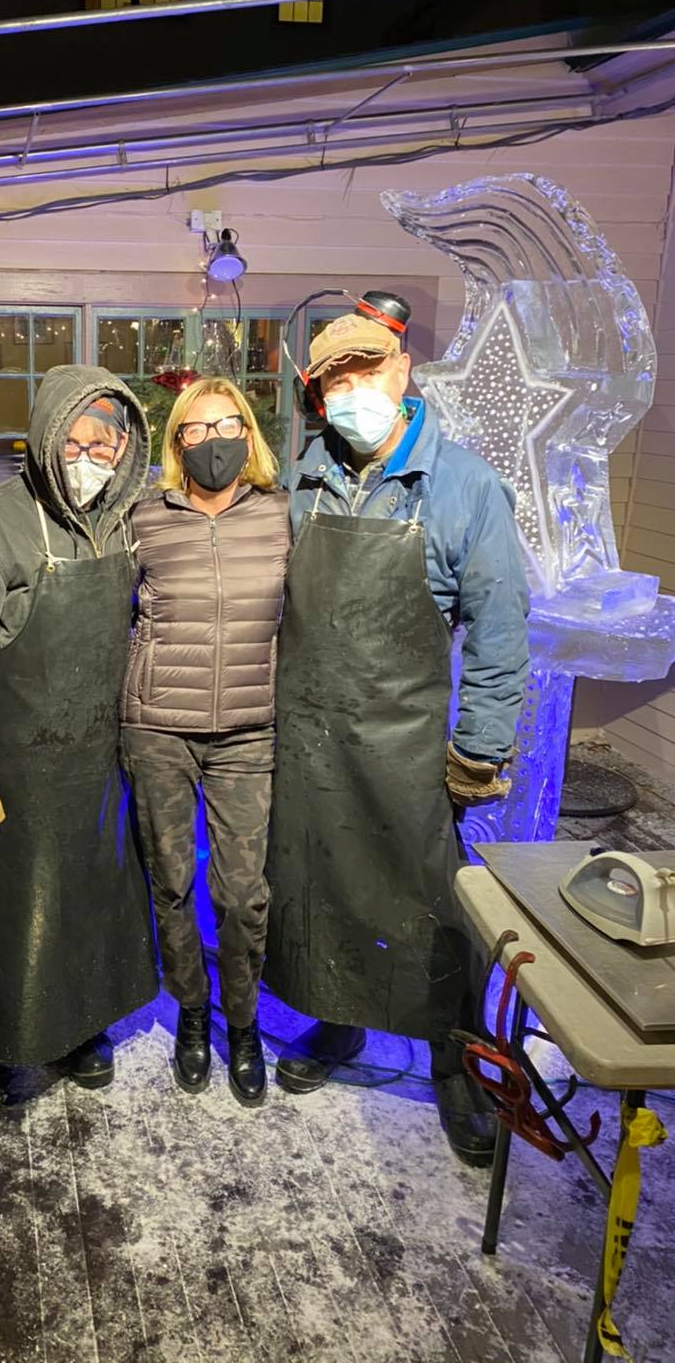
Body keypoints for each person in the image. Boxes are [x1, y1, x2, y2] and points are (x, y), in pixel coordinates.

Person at [264, 299, 530, 1165]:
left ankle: (456, 1060)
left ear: (403, 369)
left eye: (367, 369)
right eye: (335, 378)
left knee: (434, 905)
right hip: (310, 740)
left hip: (408, 744)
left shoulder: (465, 487)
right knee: (322, 887)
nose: (353, 391)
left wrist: (479, 748)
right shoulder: (305, 478)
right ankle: (338, 1019)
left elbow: (500, 629)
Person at [0, 365, 158, 1119]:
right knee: (2, 913)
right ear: (44, 439)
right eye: (72, 442)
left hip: (94, 764)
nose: (87, 458)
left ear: (124, 447)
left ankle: (78, 1024)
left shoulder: (127, 522)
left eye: (102, 444)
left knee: (86, 901)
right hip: (9, 766)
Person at [121, 377, 290, 1107]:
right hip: (158, 726)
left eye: (226, 426)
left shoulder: (282, 517)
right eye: (196, 429)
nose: (212, 441)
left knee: (244, 893)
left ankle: (242, 1022)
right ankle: (192, 1010)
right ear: (177, 443)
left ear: (248, 436)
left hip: (249, 729)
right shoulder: (144, 518)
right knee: (170, 881)